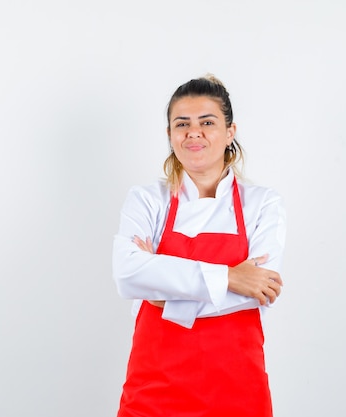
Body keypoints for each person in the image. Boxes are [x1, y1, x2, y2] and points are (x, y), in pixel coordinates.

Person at [112, 74, 287, 417]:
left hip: (238, 390)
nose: (194, 132)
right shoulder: (148, 200)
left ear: (230, 132)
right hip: (154, 389)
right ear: (170, 135)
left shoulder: (263, 204)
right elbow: (127, 275)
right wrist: (230, 278)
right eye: (182, 123)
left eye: (207, 122)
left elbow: (259, 289)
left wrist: (162, 291)